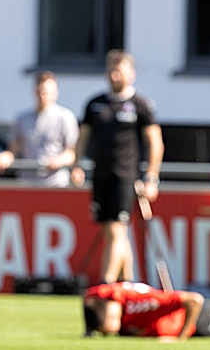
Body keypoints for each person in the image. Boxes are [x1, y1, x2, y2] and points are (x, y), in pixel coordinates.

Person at [70, 50, 164, 284]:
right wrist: (77, 165)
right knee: (111, 231)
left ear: (131, 74)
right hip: (100, 176)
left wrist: (151, 178)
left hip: (125, 177)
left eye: (119, 71)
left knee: (116, 230)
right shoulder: (95, 104)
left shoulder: (140, 105)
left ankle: (106, 284)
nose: (114, 76)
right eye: (110, 70)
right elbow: (82, 139)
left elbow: (155, 143)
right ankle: (127, 283)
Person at [82, 282, 210, 341]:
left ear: (112, 314)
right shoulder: (104, 295)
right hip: (177, 322)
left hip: (189, 321)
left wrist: (181, 337)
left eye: (107, 330)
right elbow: (88, 296)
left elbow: (194, 300)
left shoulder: (141, 303)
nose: (110, 333)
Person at [0, 70, 79, 187]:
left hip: (55, 183)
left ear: (56, 93)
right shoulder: (22, 119)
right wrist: (5, 157)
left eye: (47, 92)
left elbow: (71, 153)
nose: (43, 96)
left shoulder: (65, 117)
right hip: (27, 183)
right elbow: (13, 149)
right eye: (40, 92)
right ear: (34, 92)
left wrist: (59, 160)